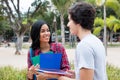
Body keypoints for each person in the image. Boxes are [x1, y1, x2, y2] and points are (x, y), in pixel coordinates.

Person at [58, 2, 107, 80]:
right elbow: (95, 73)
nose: (68, 24)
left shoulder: (84, 46)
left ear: (78, 21)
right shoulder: (96, 41)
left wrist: (60, 78)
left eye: (70, 20)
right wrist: (77, 74)